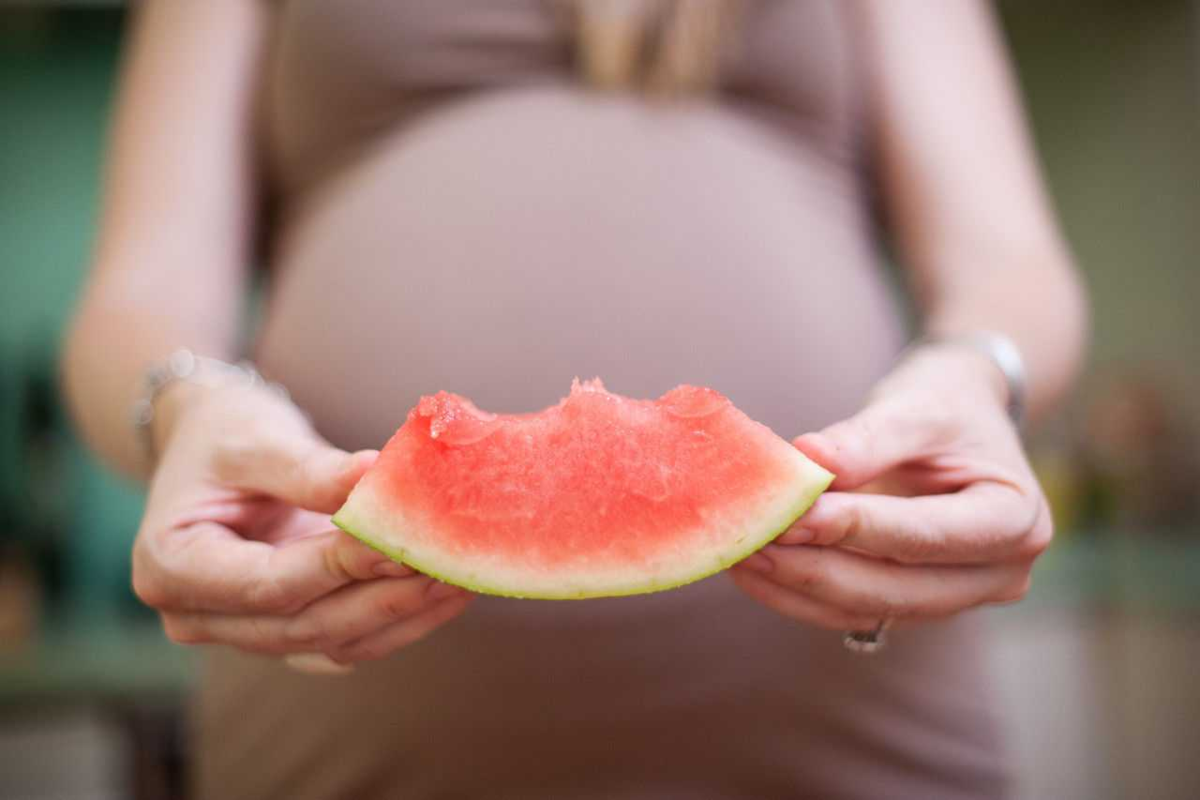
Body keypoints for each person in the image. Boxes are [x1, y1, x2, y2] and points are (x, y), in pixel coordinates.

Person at [62, 1, 1087, 797]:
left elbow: (1009, 264)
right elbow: (140, 295)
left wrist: (980, 369)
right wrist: (182, 405)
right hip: (343, 755)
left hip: (862, 737)